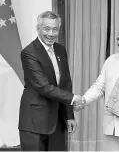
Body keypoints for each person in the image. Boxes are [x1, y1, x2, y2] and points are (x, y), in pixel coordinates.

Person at [18, 11, 77, 151]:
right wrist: (75, 99)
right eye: (47, 29)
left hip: (58, 120)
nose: (51, 34)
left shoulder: (60, 50)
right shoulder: (29, 52)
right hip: (34, 122)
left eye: (55, 29)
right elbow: (43, 86)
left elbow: (66, 83)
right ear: (38, 29)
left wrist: (69, 115)